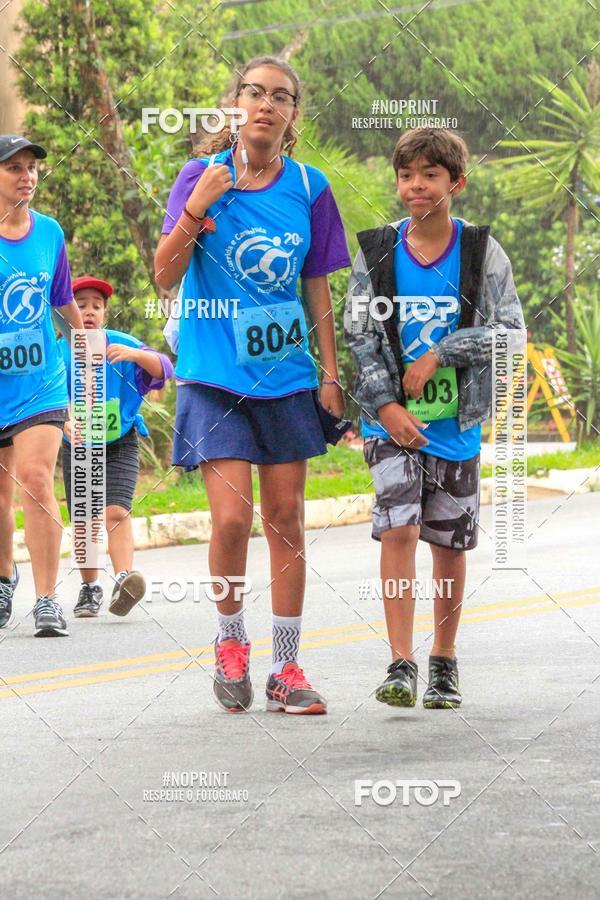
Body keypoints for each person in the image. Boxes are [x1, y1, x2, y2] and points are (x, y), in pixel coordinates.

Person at [154, 55, 351, 715]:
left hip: (287, 375)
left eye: (281, 97)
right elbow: (163, 275)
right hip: (214, 376)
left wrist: (329, 372)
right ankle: (231, 640)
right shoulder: (199, 177)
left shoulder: (310, 187)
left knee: (287, 519)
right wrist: (197, 211)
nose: (267, 105)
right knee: (233, 519)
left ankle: (287, 667)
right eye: (255, 93)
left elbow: (316, 282)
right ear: (235, 102)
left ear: (294, 115)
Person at [344, 127, 525, 708]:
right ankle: (400, 663)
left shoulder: (481, 252)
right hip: (388, 424)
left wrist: (443, 352)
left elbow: (512, 336)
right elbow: (360, 335)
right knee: (397, 530)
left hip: (455, 425)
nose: (416, 186)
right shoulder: (376, 252)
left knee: (448, 545)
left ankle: (443, 661)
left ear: (456, 183)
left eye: (430, 175)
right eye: (406, 175)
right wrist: (388, 406)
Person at [0, 134, 86, 637]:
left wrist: (86, 344)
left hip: (42, 383)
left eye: (31, 168)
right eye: (14, 168)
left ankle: (48, 598)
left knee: (35, 479)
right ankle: (2, 577)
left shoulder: (49, 233)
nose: (27, 176)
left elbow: (61, 298)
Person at [59, 275, 173, 617]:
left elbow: (164, 369)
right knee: (84, 521)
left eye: (96, 306)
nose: (89, 312)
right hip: (77, 446)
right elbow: (46, 396)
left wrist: (137, 355)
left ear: (106, 312)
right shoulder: (59, 351)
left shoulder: (120, 345)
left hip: (120, 443)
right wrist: (62, 421)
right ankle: (90, 587)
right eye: (81, 306)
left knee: (116, 512)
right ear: (68, 313)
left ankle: (124, 579)